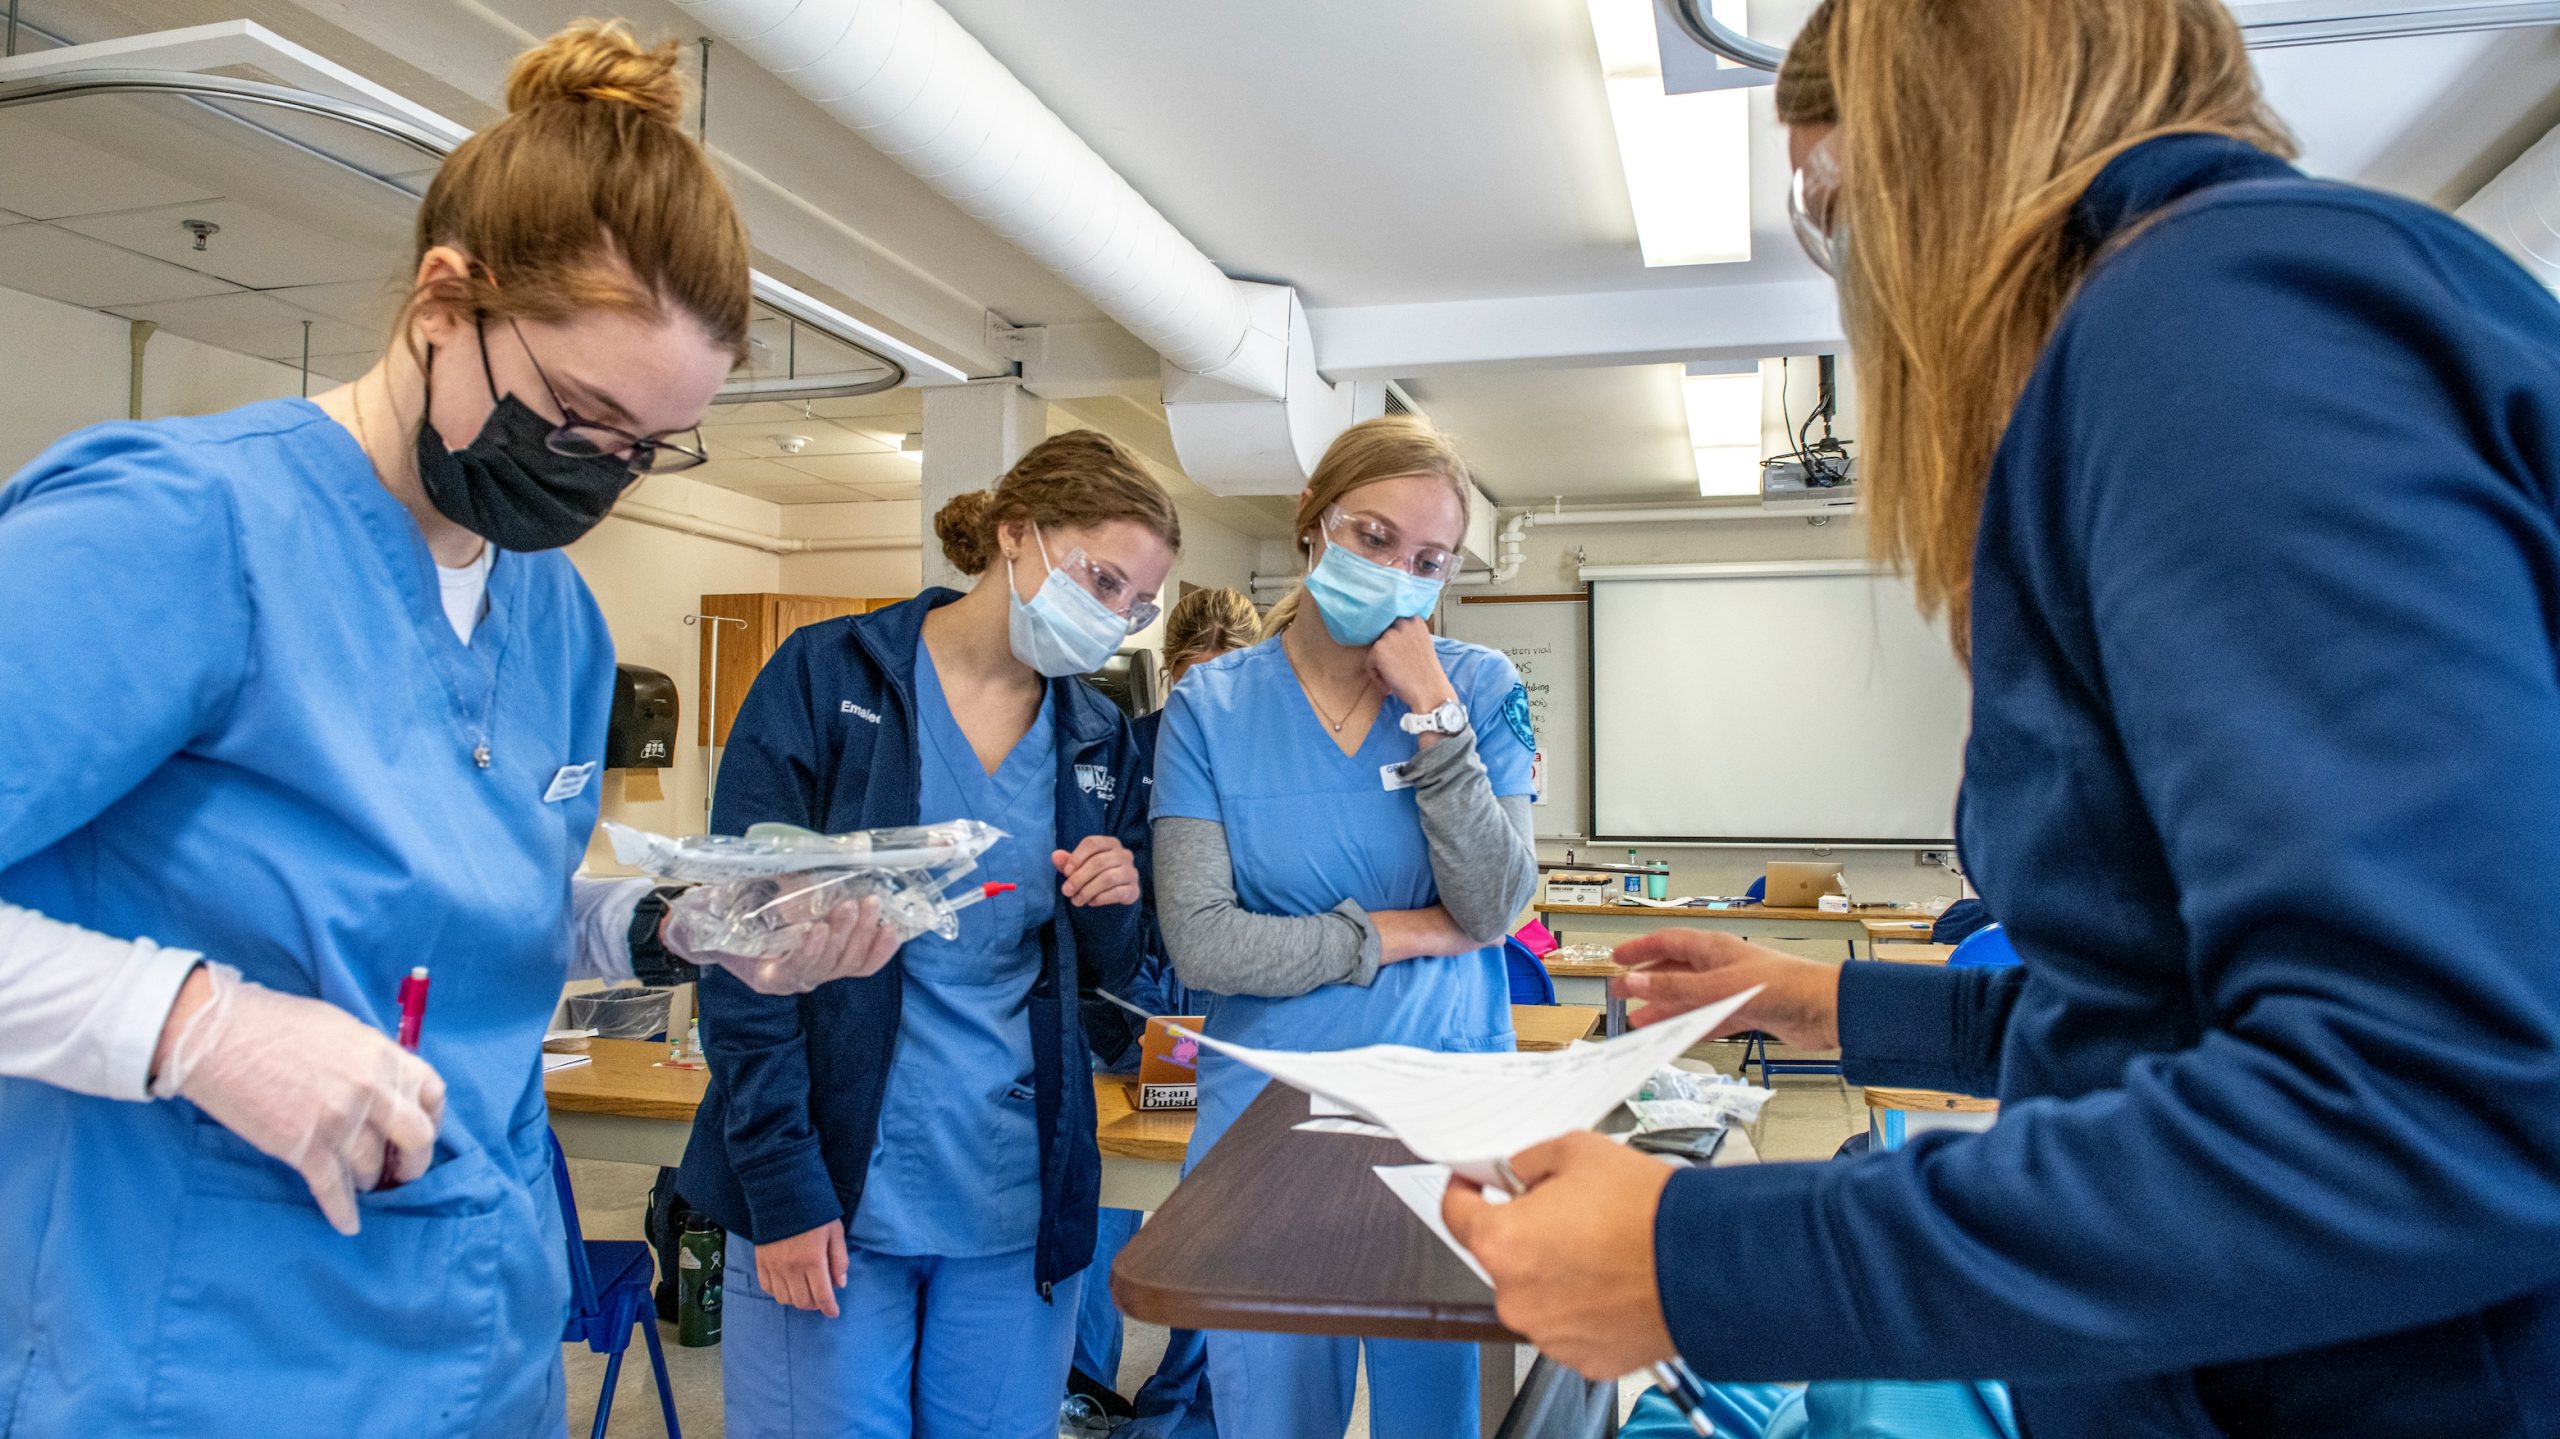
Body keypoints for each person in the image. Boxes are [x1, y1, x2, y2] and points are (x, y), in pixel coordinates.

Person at [1443, 1, 2560, 1434]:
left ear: (1937, 142)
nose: (1856, 270)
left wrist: (1700, 1257)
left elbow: (2429, 1087)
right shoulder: (2261, 303)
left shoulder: (2213, 318)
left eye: (1837, 204)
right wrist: (1830, 999)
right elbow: (2170, 1016)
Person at [0, 23, 902, 1436]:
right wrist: (195, 1022)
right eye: (581, 415)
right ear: (444, 302)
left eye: (645, 449)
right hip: (193, 1352)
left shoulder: (557, 620)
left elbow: (479, 905)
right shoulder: (183, 528)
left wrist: (678, 923)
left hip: (472, 1338)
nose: (600, 474)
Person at [680, 430, 1178, 1439]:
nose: (1116, 617)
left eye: (1138, 604)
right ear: (1015, 535)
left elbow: (1111, 990)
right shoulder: (831, 679)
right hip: (832, 1182)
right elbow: (741, 944)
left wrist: (1117, 902)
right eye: (1103, 580)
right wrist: (779, 1182)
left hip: (1011, 1190)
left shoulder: (1095, 736)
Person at [1153, 416, 1540, 1439]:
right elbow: (1203, 942)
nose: (1398, 575)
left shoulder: (1482, 686)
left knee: (1432, 1414)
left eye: (1427, 560)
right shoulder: (1210, 706)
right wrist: (1394, 933)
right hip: (1263, 1131)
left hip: (1439, 1117)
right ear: (1312, 527)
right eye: (1373, 539)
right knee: (1270, 1414)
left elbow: (1497, 906)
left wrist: (1434, 716)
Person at [1072, 585, 1261, 1437]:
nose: (1209, 703)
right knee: (1106, 1195)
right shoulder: (1123, 753)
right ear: (1169, 674)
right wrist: (1153, 1034)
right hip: (1133, 1017)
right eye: (1193, 683)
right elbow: (1109, 906)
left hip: (1227, 1019)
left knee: (1214, 1210)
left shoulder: (1264, 766)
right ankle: (1083, 1388)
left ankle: (1184, 1398)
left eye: (1230, 682)